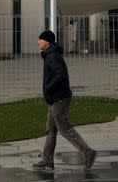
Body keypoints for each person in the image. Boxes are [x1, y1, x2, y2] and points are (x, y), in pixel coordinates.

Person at [33, 30, 97, 170]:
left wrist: (48, 87)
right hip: (53, 98)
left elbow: (60, 74)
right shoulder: (49, 54)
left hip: (59, 98)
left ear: (47, 42)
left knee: (65, 129)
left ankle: (88, 152)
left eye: (40, 39)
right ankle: (47, 160)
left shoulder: (52, 56)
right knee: (50, 130)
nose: (38, 42)